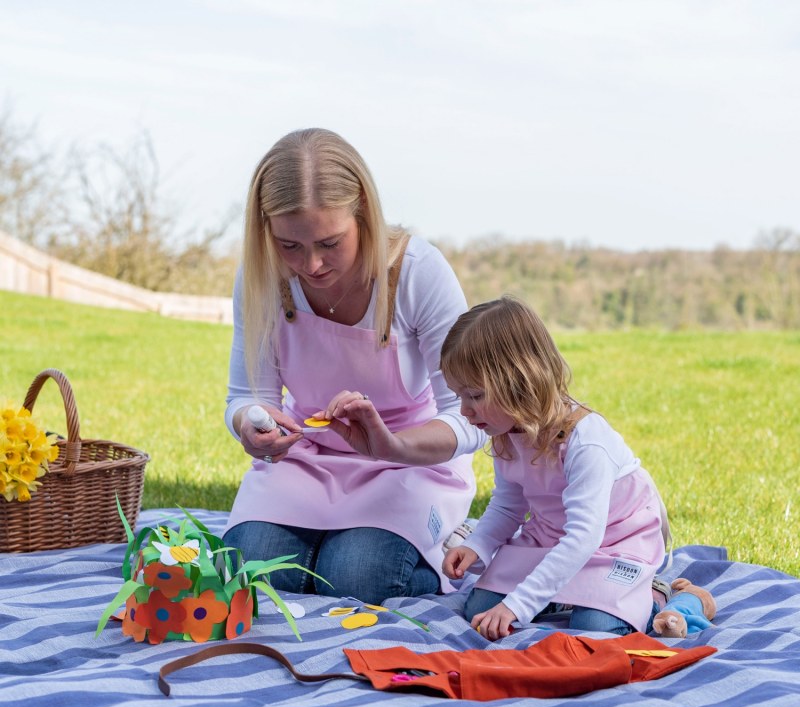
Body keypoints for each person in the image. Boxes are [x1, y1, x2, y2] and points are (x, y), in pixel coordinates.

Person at [223, 128, 485, 605]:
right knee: (248, 572)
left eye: (330, 242)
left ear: (362, 207)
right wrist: (250, 425)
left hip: (408, 463)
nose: (313, 266)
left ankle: (445, 535)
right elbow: (246, 397)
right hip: (305, 460)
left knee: (360, 577)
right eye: (290, 246)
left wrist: (392, 444)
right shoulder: (261, 278)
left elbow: (472, 418)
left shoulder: (417, 273)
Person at [438, 296, 667, 640]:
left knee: (596, 631)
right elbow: (508, 503)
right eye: (459, 396)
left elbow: (583, 538)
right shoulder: (506, 432)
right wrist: (478, 545)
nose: (465, 410)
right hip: (552, 538)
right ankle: (560, 594)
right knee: (478, 610)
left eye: (475, 395)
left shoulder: (585, 440)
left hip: (615, 543)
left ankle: (653, 593)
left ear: (520, 380)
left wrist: (517, 606)